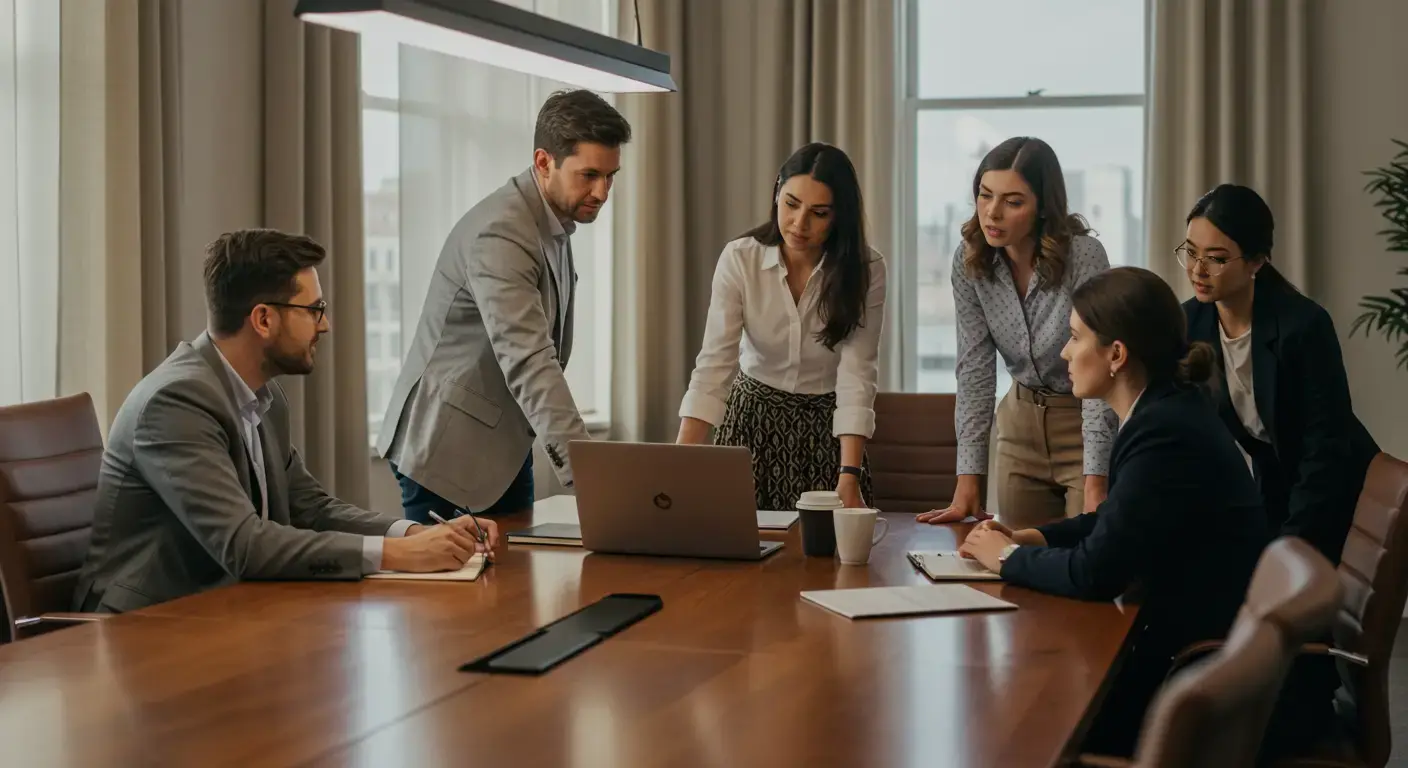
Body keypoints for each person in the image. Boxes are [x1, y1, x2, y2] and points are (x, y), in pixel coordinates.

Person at [73, 229, 498, 614]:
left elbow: (309, 508)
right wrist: (396, 554)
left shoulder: (265, 396)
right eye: (314, 309)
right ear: (263, 319)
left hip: (220, 611)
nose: (325, 324)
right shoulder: (176, 402)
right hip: (142, 628)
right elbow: (245, 545)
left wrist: (412, 534)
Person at [957, 266, 1268, 757]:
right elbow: (1118, 521)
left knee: (1021, 720)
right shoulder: (1165, 410)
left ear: (1117, 355)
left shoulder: (1162, 432)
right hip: (1187, 647)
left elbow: (1096, 573)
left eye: (1076, 338)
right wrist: (1034, 536)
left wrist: (1006, 559)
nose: (1064, 352)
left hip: (1185, 673)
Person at [1180, 183, 1379, 756]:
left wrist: (1289, 544)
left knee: (1288, 585)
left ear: (1258, 260)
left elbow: (1325, 449)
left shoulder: (1301, 324)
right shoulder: (1191, 323)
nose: (1199, 269)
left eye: (1217, 257)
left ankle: (1298, 719)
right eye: (1190, 252)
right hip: (1273, 476)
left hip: (1335, 484)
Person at [377, 90, 632, 523]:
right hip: (447, 454)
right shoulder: (501, 233)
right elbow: (531, 359)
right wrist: (594, 477)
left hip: (501, 451)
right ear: (543, 161)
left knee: (515, 585)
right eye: (589, 174)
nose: (602, 192)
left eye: (611, 176)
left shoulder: (550, 219)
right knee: (460, 590)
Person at [918, 137, 1116, 530]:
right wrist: (967, 479)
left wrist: (1097, 481)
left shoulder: (1084, 256)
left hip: (1081, 423)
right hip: (1018, 426)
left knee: (1088, 553)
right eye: (985, 195)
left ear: (1043, 207)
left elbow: (1100, 364)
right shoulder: (970, 259)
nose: (992, 213)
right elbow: (974, 369)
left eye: (1013, 201)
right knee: (1016, 564)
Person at [677, 143, 887, 511]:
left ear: (840, 216)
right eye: (790, 204)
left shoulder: (866, 269)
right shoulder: (740, 258)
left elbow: (858, 373)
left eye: (818, 213)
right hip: (749, 423)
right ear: (776, 192)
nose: (799, 224)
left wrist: (849, 472)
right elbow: (714, 366)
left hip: (826, 431)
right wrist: (675, 464)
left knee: (822, 558)